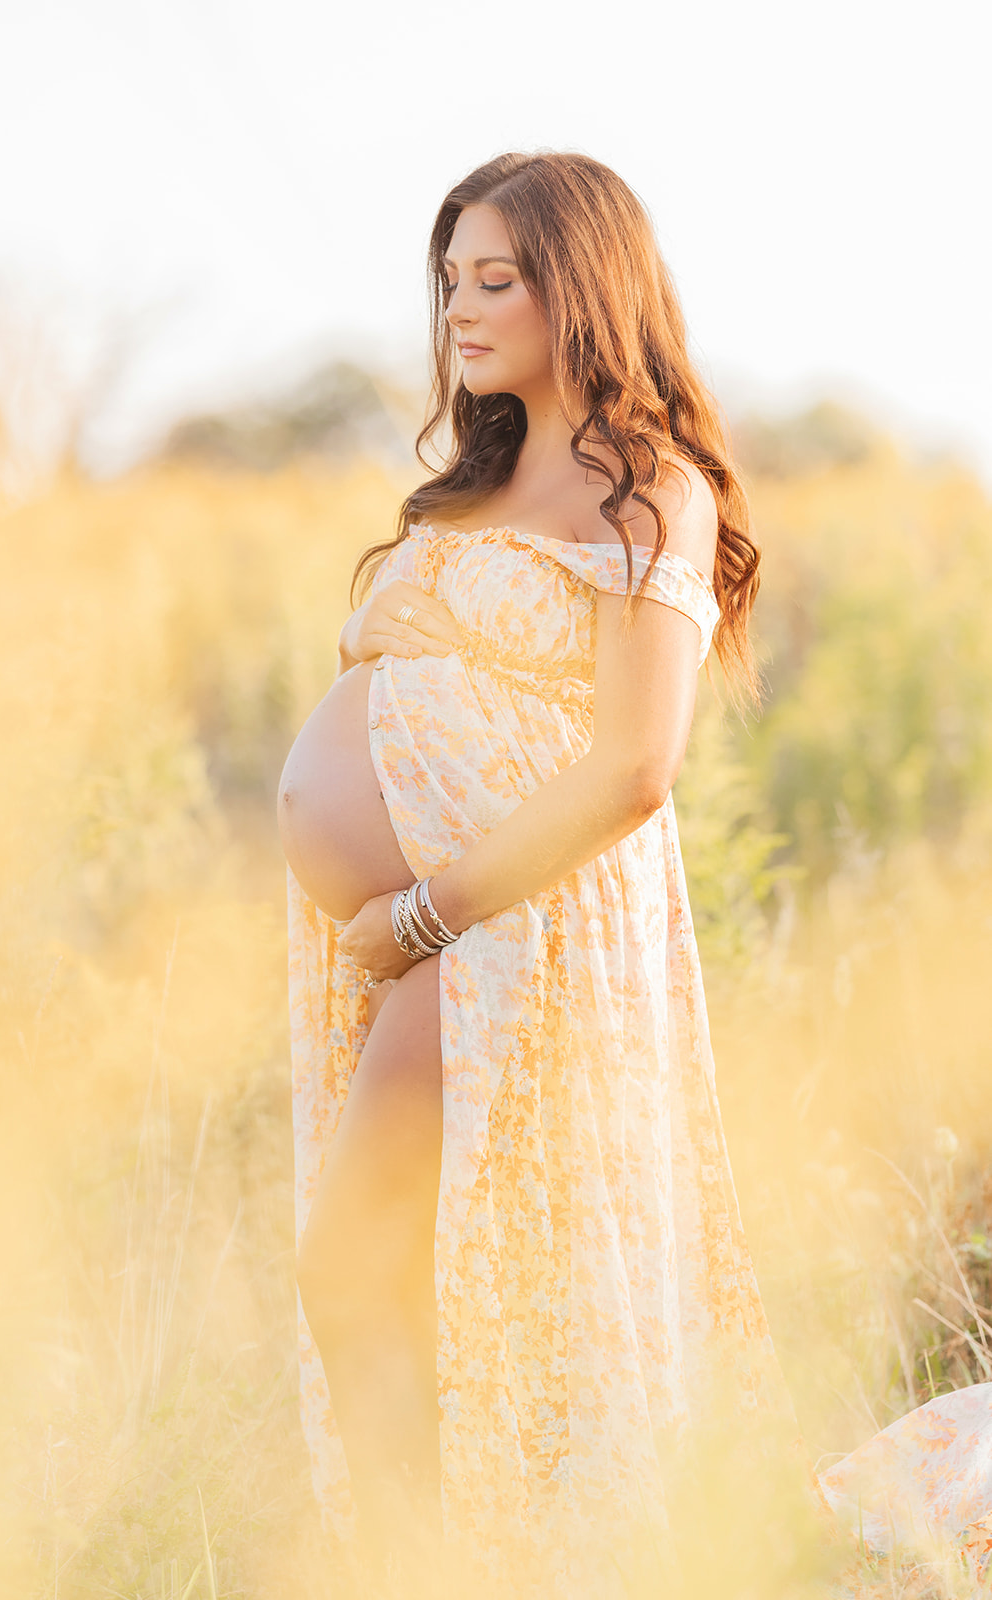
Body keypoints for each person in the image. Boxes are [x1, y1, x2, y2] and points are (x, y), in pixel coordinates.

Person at [277, 151, 992, 1590]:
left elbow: (635, 766)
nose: (461, 310)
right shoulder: (466, 482)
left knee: (373, 1268)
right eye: (451, 280)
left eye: (499, 279)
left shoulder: (649, 483)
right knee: (409, 1278)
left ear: (582, 287)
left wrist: (424, 906)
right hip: (432, 934)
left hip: (505, 930)